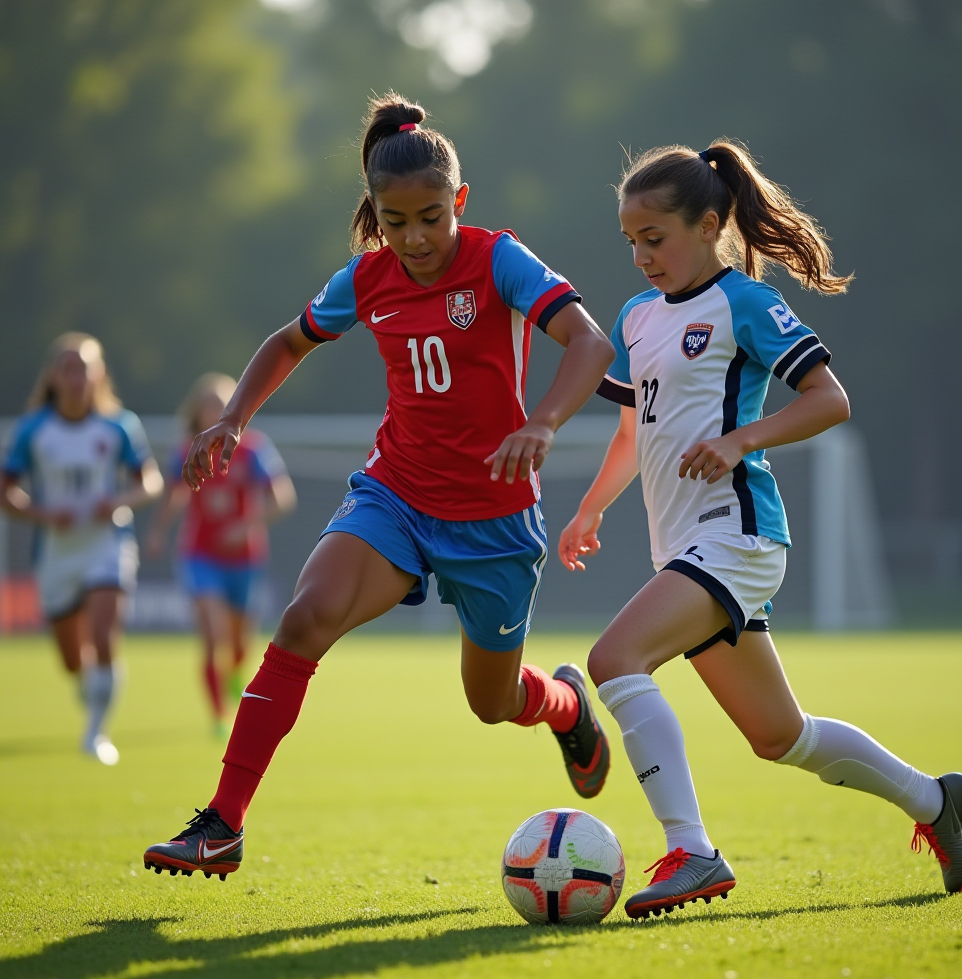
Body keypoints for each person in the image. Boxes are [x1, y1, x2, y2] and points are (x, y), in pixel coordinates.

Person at [141, 93, 616, 879]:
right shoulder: (366, 279)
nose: (416, 238)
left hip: (494, 519)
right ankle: (221, 824)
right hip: (394, 495)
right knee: (302, 620)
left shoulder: (500, 259)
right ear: (374, 214)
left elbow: (590, 343)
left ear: (458, 201)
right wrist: (230, 420)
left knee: (491, 702)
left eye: (432, 217)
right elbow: (287, 342)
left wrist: (544, 422)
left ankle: (566, 707)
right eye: (396, 223)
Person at [559, 141, 962, 917]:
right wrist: (591, 508)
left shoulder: (743, 302)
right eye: (631, 242)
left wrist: (740, 439)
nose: (643, 256)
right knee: (781, 737)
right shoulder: (637, 316)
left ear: (710, 223)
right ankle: (934, 799)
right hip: (681, 546)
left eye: (657, 238)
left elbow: (830, 398)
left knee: (614, 660)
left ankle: (692, 852)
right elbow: (632, 431)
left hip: (738, 533)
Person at [1, 333, 163, 764]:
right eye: (68, 368)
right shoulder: (33, 429)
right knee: (73, 662)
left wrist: (117, 502)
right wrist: (42, 514)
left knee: (104, 636)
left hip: (107, 544)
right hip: (56, 554)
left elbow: (149, 482)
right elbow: (7, 492)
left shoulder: (119, 425)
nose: (77, 377)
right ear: (54, 376)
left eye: (85, 368)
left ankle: (97, 733)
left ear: (99, 374)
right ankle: (91, 691)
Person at [146, 373, 296, 735]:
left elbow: (283, 498)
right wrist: (159, 531)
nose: (216, 411)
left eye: (224, 403)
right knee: (215, 638)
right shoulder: (187, 450)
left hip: (245, 558)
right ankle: (218, 716)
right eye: (209, 404)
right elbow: (175, 494)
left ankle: (236, 674)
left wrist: (245, 527)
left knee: (240, 643)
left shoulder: (255, 449)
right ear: (196, 413)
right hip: (200, 556)